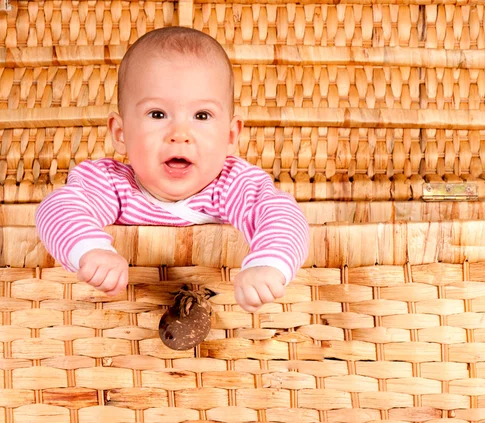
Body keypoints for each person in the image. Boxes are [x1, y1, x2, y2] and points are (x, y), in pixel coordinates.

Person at [36, 27, 309, 313]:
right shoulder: (110, 183)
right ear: (120, 132)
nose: (180, 133)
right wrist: (91, 250)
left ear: (230, 135)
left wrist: (267, 265)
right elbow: (57, 208)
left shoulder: (234, 183)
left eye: (201, 116)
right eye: (157, 114)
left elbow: (282, 214)